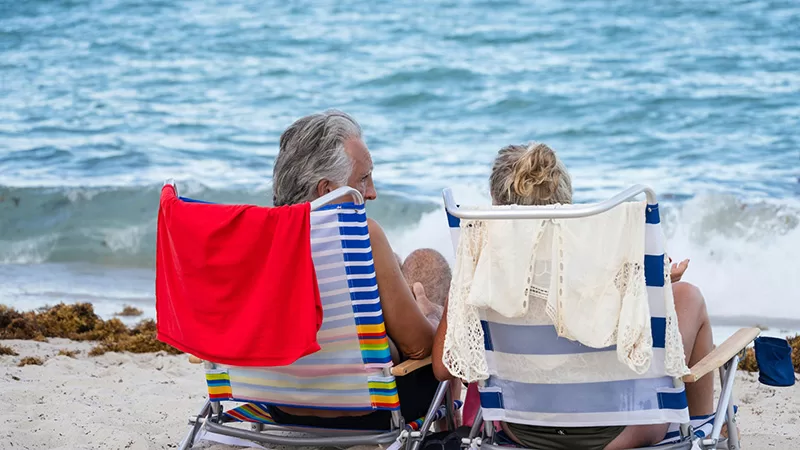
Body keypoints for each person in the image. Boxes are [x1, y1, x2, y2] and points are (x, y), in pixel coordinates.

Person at [432, 143, 714, 449]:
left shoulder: (482, 263)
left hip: (523, 430)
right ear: (565, 197)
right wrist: (653, 290)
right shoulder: (607, 250)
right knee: (689, 296)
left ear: (496, 201)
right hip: (619, 434)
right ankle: (706, 428)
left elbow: (443, 367)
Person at [271, 109, 454, 429]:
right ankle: (446, 431)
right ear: (328, 190)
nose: (372, 192)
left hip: (279, 402)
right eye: (363, 179)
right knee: (430, 265)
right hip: (370, 408)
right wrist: (435, 315)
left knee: (412, 262)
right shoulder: (362, 235)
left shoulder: (256, 240)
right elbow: (420, 347)